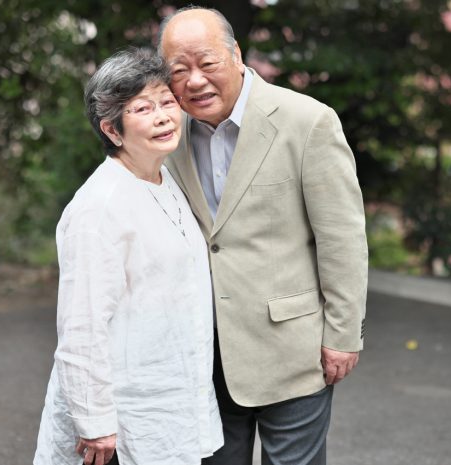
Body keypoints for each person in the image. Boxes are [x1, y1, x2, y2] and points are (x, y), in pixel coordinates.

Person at [158, 7, 368, 465]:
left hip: (293, 349)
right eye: (179, 70)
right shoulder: (166, 136)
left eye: (207, 63)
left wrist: (343, 334)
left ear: (235, 55)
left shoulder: (307, 121)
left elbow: (342, 238)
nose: (194, 80)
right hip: (204, 354)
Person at [33, 48, 223, 465]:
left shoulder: (164, 179)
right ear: (112, 130)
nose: (162, 117)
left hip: (170, 399)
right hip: (120, 418)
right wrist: (95, 420)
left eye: (167, 103)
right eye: (142, 108)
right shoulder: (99, 207)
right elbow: (82, 325)